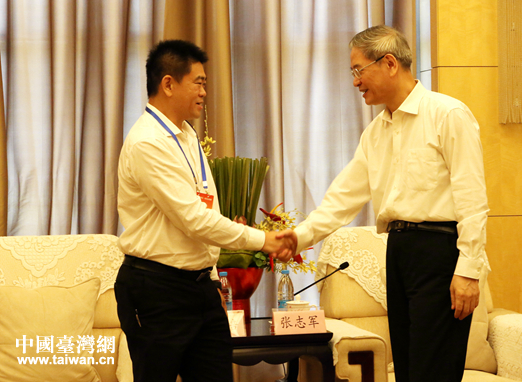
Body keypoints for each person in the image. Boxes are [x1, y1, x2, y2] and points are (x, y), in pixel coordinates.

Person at [282, 25, 489, 381]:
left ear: (390, 63)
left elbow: (473, 199)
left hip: (440, 253)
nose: (355, 82)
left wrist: (468, 270)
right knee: (408, 368)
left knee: (432, 370)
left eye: (358, 70)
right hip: (398, 251)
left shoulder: (448, 114)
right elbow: (342, 198)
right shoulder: (376, 132)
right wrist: (297, 238)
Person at [115, 39, 293, 382]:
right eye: (198, 83)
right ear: (168, 84)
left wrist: (212, 278)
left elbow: (205, 208)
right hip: (156, 289)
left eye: (205, 84)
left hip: (200, 288)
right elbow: (194, 219)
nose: (204, 92)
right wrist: (264, 241)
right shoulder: (148, 142)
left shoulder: (186, 135)